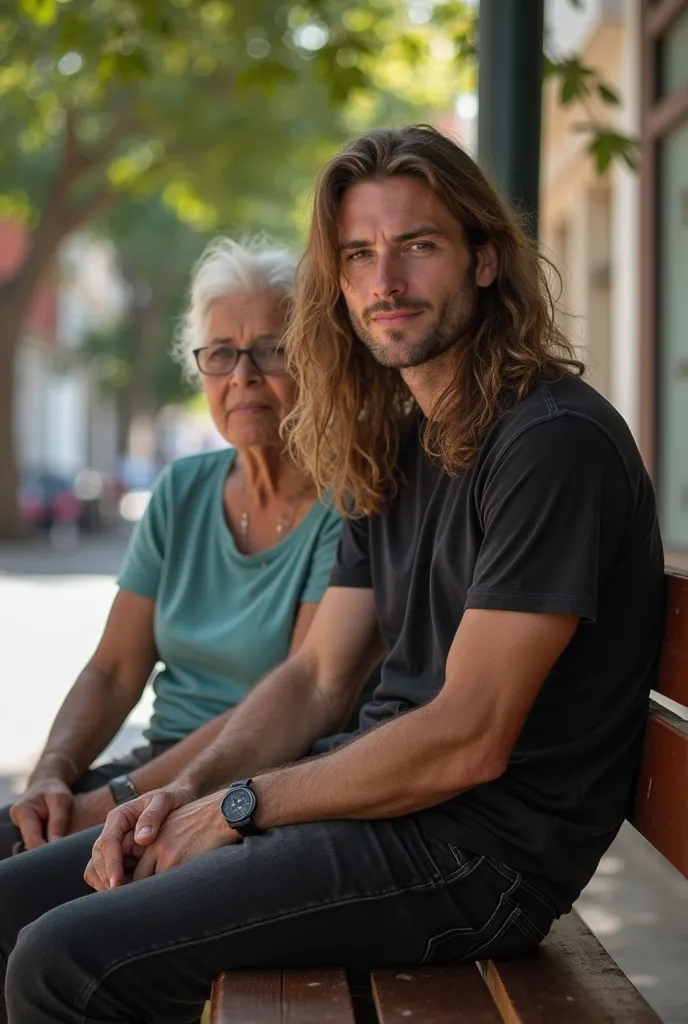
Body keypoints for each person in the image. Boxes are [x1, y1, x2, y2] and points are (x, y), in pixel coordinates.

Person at [0, 126, 664, 1024]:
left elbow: (468, 737)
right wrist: (180, 794)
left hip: (477, 857)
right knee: (15, 898)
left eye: (418, 247)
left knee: (61, 959)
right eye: (359, 255)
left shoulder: (552, 445)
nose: (385, 282)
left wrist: (239, 805)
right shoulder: (395, 446)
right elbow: (316, 679)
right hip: (375, 810)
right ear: (339, 285)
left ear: (484, 260)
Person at [0, 236, 343, 861]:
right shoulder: (182, 489)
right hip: (152, 768)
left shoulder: (345, 506)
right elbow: (112, 670)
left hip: (251, 789)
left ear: (315, 360)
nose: (242, 375)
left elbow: (291, 699)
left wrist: (109, 799)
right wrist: (53, 771)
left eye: (270, 350)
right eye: (220, 353)